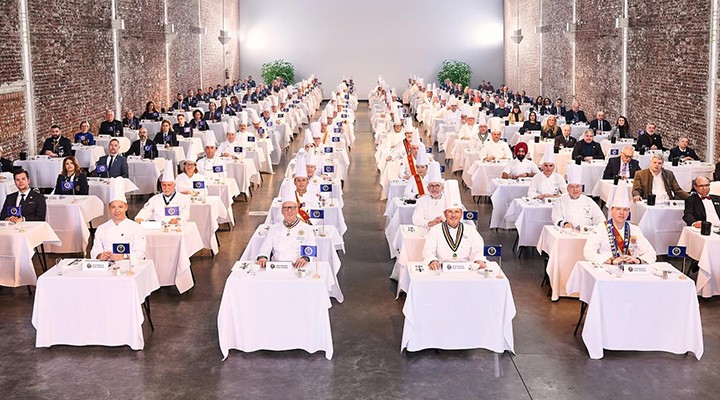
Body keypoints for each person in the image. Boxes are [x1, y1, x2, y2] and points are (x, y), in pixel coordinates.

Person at [583, 179, 656, 264]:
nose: (621, 213)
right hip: (607, 267)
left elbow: (651, 254)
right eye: (618, 209)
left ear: (628, 212)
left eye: (625, 210)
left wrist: (637, 260)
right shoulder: (601, 228)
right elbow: (588, 252)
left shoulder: (634, 229)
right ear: (612, 210)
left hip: (629, 268)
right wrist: (611, 260)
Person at [421, 182, 487, 270]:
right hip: (441, 269)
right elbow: (428, 250)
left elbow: (478, 250)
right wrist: (432, 260)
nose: (453, 215)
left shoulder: (470, 230)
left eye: (456, 212)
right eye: (450, 212)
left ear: (461, 214)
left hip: (466, 270)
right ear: (445, 213)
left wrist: (478, 260)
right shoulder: (435, 230)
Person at [256, 186, 317, 269]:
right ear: (282, 211)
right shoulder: (274, 228)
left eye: (292, 208)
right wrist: (263, 257)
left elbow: (311, 248)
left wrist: (305, 258)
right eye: (286, 208)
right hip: (276, 267)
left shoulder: (307, 228)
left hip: (298, 267)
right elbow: (265, 247)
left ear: (297, 210)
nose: (289, 211)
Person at [90, 179, 146, 261]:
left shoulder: (136, 228)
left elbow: (141, 253)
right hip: (107, 266)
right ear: (109, 208)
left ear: (126, 207)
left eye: (120, 207)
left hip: (129, 265)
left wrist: (124, 256)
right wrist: (100, 255)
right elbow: (94, 251)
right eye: (113, 207)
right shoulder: (101, 228)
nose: (117, 211)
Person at [412, 164, 446, 230]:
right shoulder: (422, 201)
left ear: (442, 188)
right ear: (427, 188)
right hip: (427, 231)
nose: (434, 189)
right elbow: (416, 219)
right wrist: (430, 223)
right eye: (431, 186)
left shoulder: (448, 200)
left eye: (437, 186)